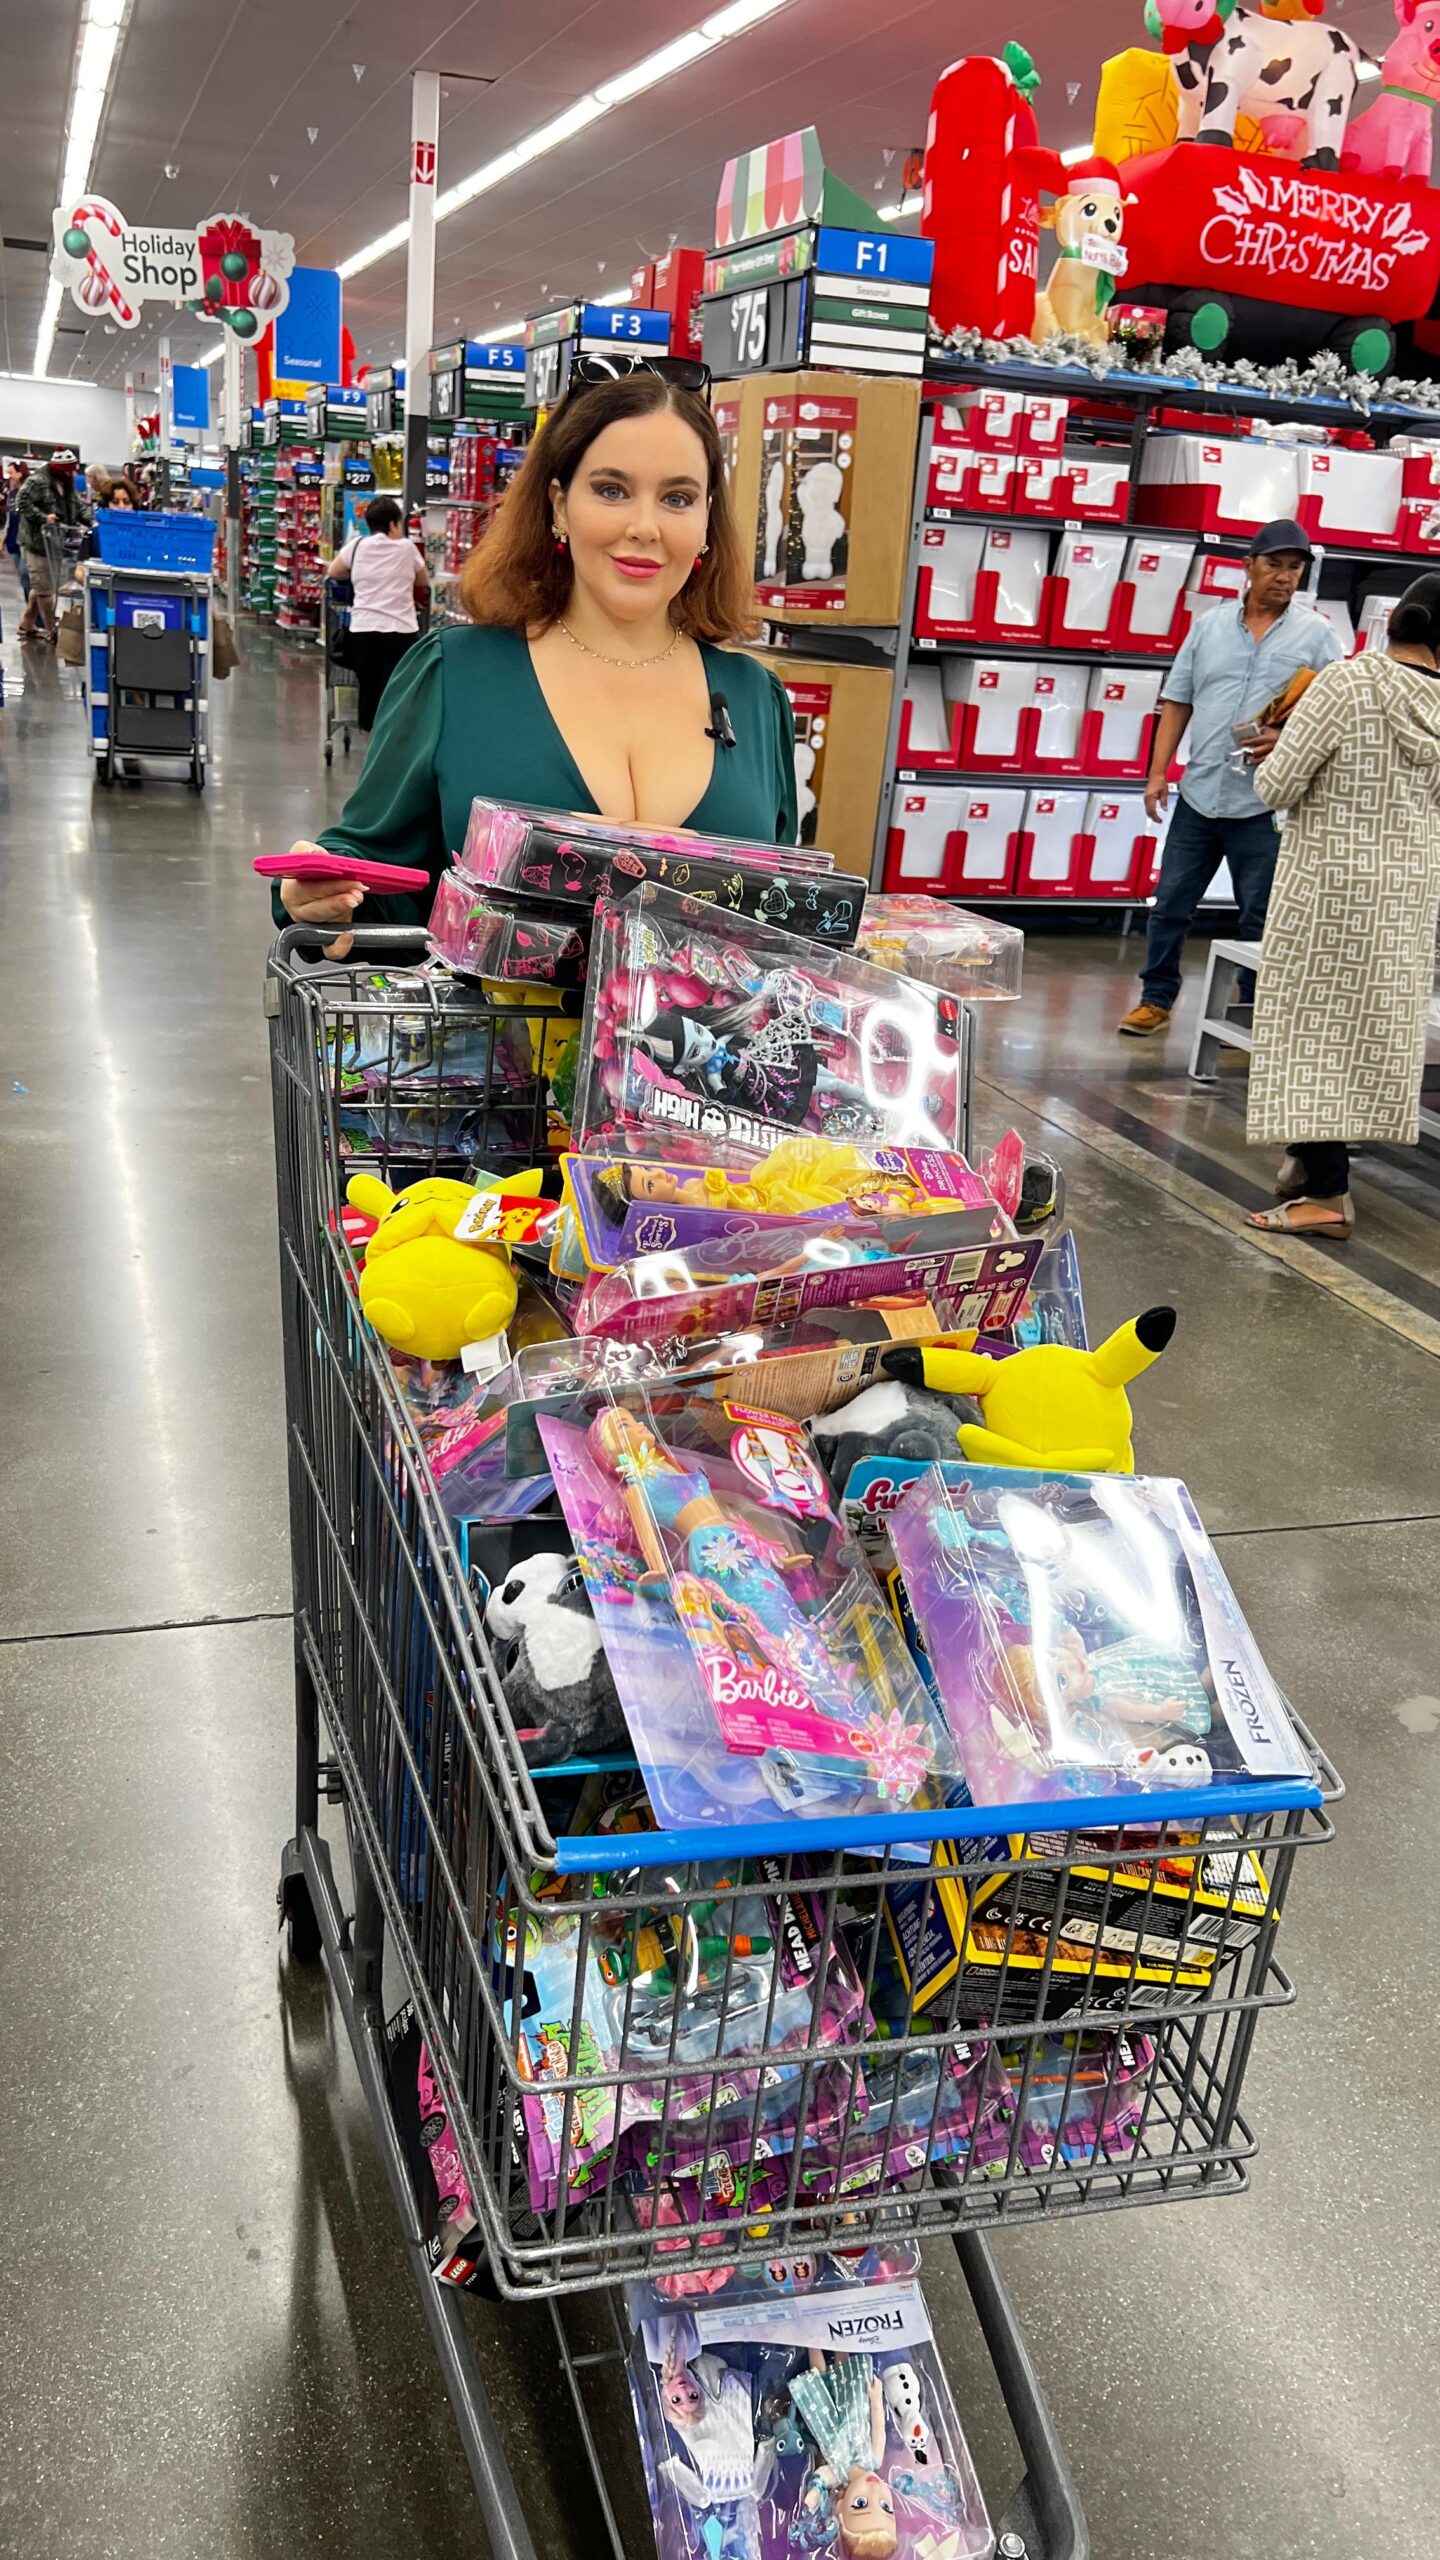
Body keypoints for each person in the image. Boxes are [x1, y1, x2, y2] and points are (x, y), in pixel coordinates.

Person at [272, 359, 795, 955]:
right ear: (559, 505)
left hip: (702, 1049)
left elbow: (788, 914)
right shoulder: (455, 676)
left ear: (706, 522)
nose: (645, 527)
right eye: (612, 490)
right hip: (489, 1046)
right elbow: (375, 870)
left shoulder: (756, 700)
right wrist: (321, 894)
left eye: (678, 497)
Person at [1244, 574, 1440, 1242]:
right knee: (1363, 1033)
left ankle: (1327, 1196)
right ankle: (1307, 1161)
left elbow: (1278, 784)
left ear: (1396, 622)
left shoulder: (1347, 682)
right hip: (1409, 891)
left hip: (1329, 884)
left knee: (1310, 1030)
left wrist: (1275, 747)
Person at [1118, 518, 1344, 1037]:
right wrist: (1158, 773)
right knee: (1170, 903)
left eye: (1295, 568)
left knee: (1259, 916)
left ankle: (1250, 1011)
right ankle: (1156, 998)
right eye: (1274, 565)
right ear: (1248, 567)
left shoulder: (1318, 635)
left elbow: (1334, 713)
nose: (1285, 577)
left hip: (1266, 801)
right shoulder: (1210, 627)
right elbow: (1178, 700)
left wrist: (1287, 742)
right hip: (1199, 795)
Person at [323, 495, 429, 732]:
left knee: (369, 692)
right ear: (393, 524)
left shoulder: (357, 546)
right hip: (401, 633)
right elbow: (423, 580)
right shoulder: (407, 548)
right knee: (396, 692)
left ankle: (371, 748)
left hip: (363, 631)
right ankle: (393, 743)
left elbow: (334, 571)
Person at [16, 447, 81, 644]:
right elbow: (21, 503)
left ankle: (27, 623)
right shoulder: (38, 481)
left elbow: (77, 506)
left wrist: (89, 521)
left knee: (41, 583)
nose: (71, 473)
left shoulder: (67, 484)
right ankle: (51, 629)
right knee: (44, 589)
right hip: (36, 542)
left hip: (55, 542)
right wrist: (44, 518)